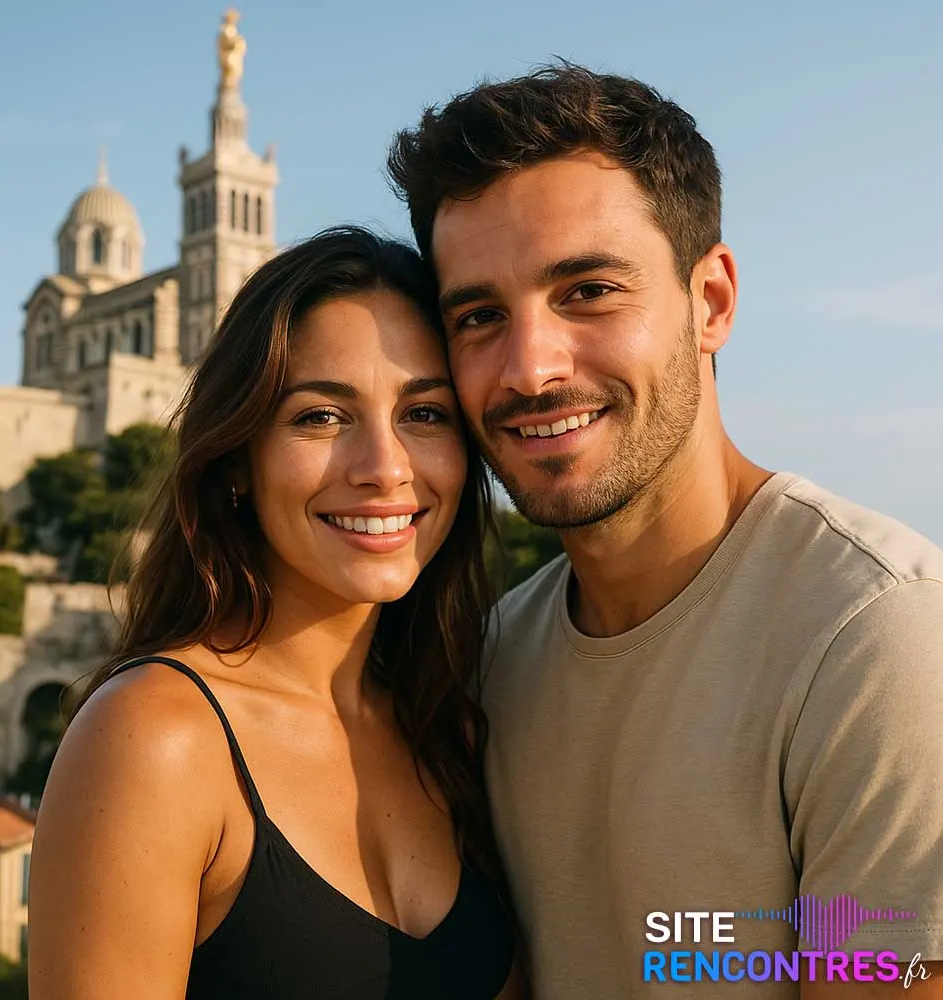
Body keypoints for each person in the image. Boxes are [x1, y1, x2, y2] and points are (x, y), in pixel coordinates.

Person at [388, 66, 943, 998]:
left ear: (711, 302)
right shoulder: (492, 661)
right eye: (480, 316)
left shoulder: (873, 641)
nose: (529, 369)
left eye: (589, 290)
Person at [28, 227, 524, 1000]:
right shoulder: (154, 741)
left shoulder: (450, 723)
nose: (384, 468)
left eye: (425, 414)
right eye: (321, 417)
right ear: (236, 460)